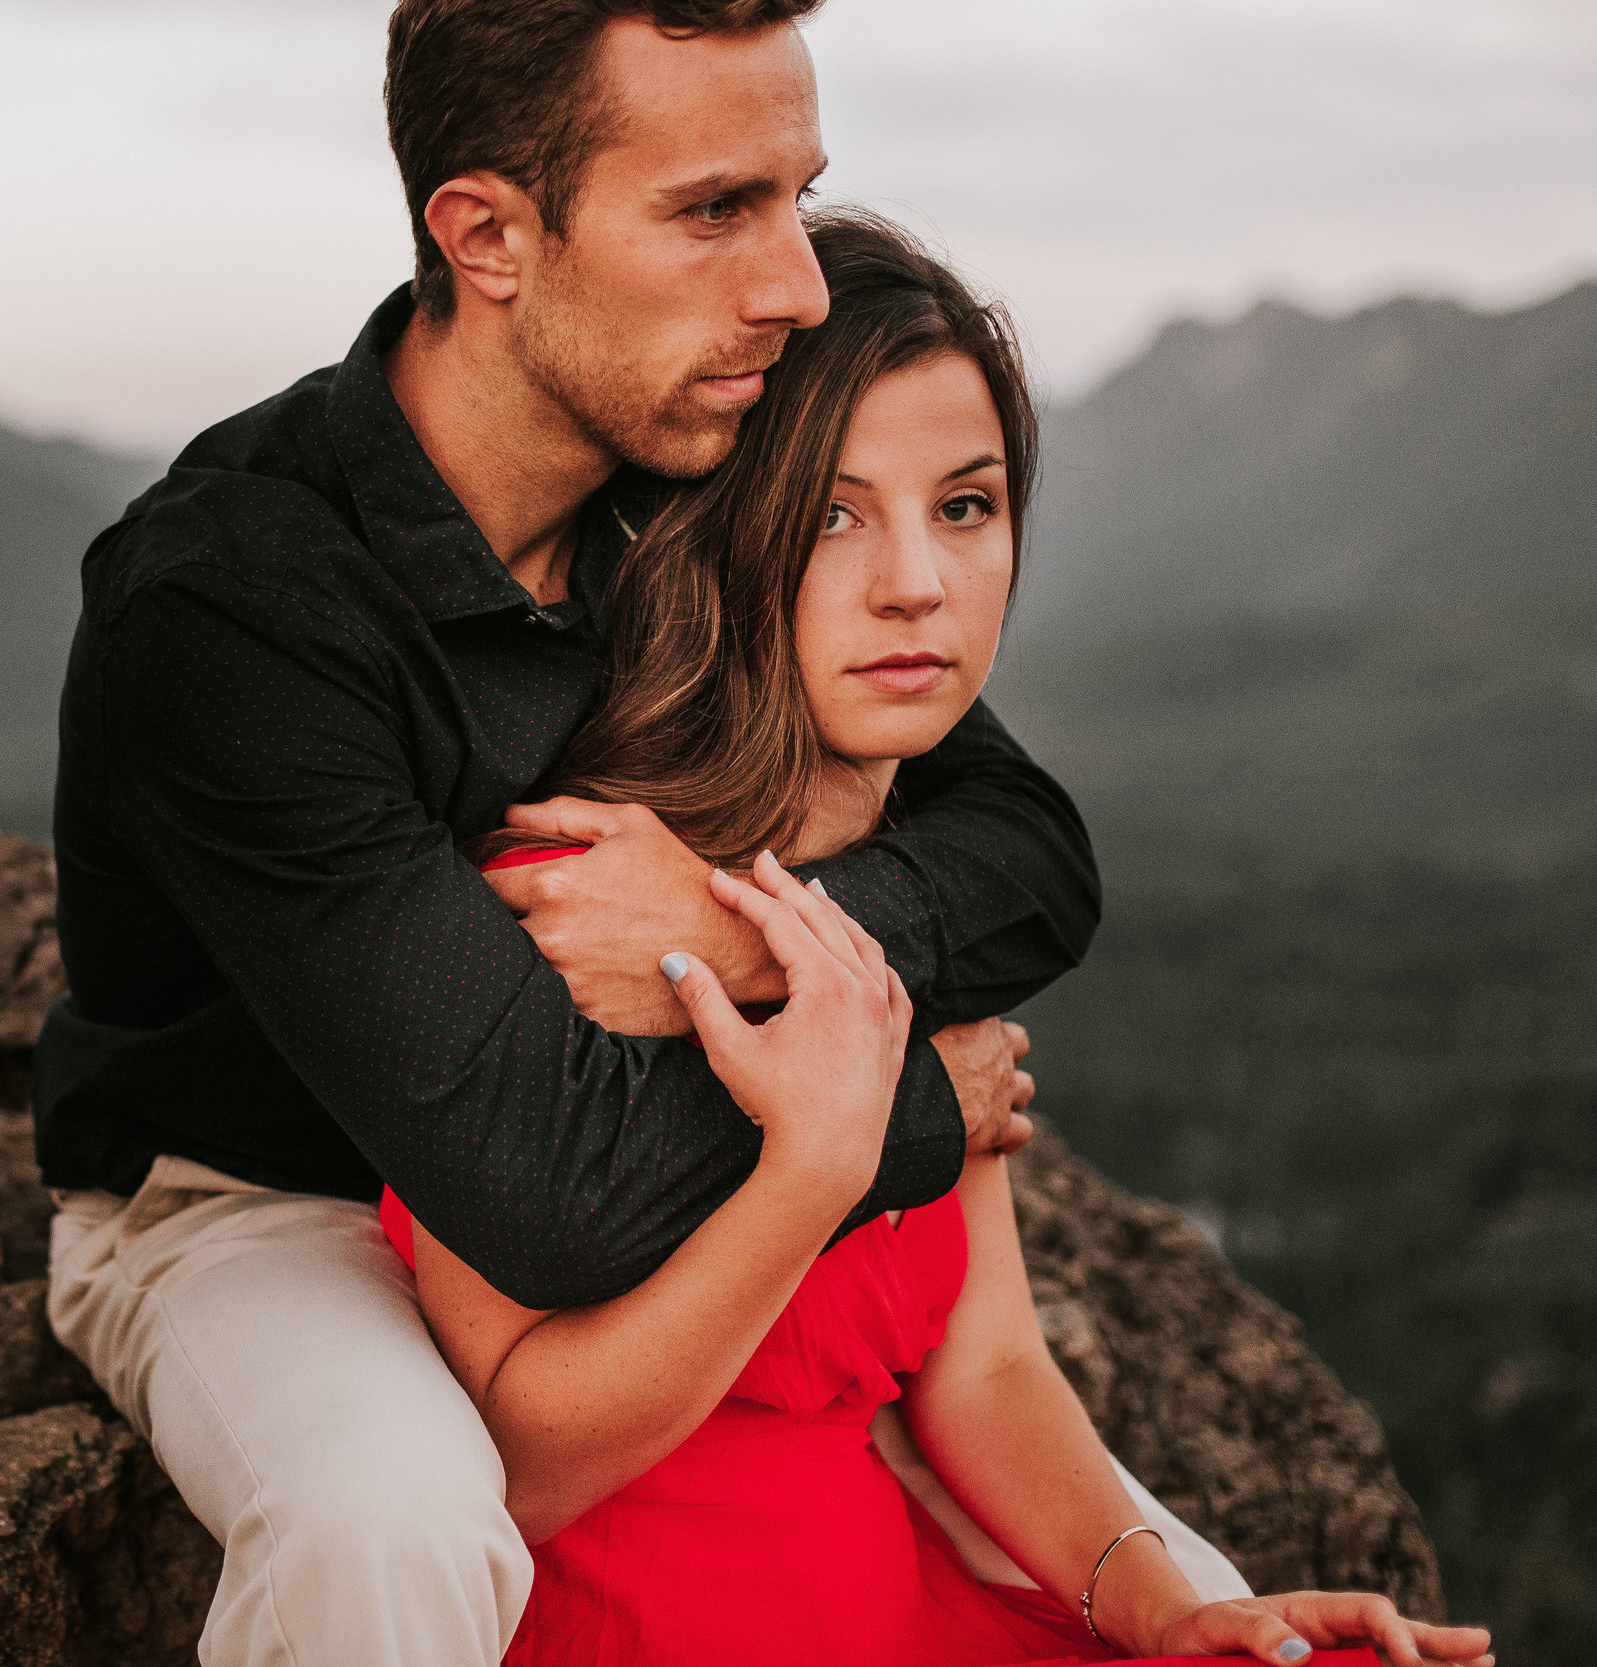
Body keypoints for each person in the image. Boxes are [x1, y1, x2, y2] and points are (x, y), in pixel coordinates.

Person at [42, 4, 1214, 1662]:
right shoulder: (236, 613)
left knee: (1209, 1607)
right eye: (714, 210)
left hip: (666, 1181)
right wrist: (896, 1111)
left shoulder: (682, 474)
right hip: (263, 1191)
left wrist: (741, 942)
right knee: (388, 1520)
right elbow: (551, 1195)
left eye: (799, 200)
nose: (797, 285)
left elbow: (1022, 843)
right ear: (491, 235)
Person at [381, 210, 1493, 1667]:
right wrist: (822, 1162)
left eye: (965, 505)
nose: (919, 581)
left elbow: (989, 1366)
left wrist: (1170, 1605)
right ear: (714, 535)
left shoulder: (906, 898)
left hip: (904, 1616)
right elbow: (524, 1460)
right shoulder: (571, 896)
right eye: (836, 515)